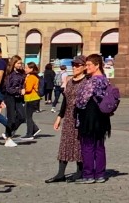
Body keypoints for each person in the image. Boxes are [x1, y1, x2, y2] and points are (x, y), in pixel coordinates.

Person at [45, 55, 87, 183]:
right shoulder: (69, 81)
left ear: (84, 67)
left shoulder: (87, 82)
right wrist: (59, 117)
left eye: (78, 65)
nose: (74, 67)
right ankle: (60, 174)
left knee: (79, 144)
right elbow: (65, 101)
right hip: (69, 116)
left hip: (81, 117)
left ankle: (80, 171)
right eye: (73, 65)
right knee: (65, 143)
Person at [73, 54, 111, 183]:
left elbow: (81, 100)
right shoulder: (105, 79)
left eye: (89, 65)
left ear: (97, 65)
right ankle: (100, 174)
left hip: (90, 116)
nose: (86, 67)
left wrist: (76, 102)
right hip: (102, 116)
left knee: (88, 145)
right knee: (99, 145)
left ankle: (88, 174)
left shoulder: (93, 80)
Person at [1, 56, 28, 146]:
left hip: (19, 98)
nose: (20, 65)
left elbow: (22, 84)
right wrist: (19, 90)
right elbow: (8, 88)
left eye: (21, 63)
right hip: (10, 97)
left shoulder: (21, 73)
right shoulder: (10, 74)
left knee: (22, 117)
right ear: (14, 64)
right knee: (11, 118)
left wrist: (23, 89)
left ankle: (9, 133)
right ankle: (8, 138)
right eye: (18, 63)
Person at [23, 61, 41, 138]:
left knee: (28, 117)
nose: (25, 69)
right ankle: (35, 129)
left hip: (32, 98)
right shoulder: (32, 76)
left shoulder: (31, 77)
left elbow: (28, 89)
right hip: (32, 98)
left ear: (31, 69)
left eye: (26, 68)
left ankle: (29, 133)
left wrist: (22, 90)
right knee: (27, 116)